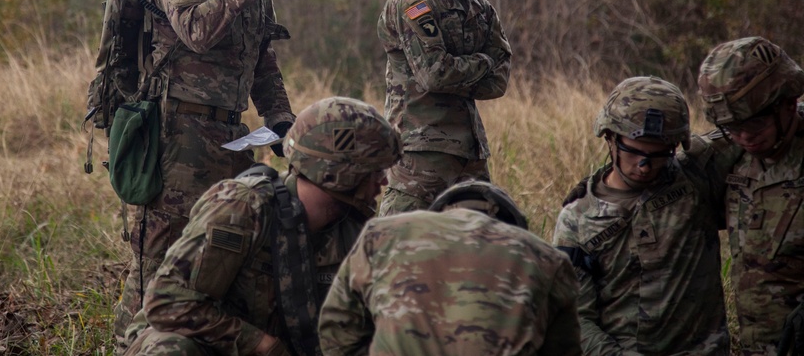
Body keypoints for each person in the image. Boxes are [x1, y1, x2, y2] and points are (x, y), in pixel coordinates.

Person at [113, 0, 296, 352]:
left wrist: (280, 119)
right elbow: (196, 30)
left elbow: (261, 58)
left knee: (219, 260)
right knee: (155, 266)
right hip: (175, 140)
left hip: (231, 141)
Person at [123, 96, 402, 356]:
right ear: (337, 172)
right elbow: (168, 304)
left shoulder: (354, 230)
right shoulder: (243, 208)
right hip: (211, 345)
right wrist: (262, 345)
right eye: (375, 170)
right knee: (168, 348)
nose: (384, 182)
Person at [553, 76, 736, 355]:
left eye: (660, 154)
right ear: (610, 137)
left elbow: (757, 120)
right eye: (634, 151)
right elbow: (576, 318)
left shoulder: (694, 175)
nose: (645, 166)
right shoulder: (576, 219)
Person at [319, 180, 582, 355]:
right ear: (510, 226)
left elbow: (337, 330)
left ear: (441, 213)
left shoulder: (382, 234)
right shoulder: (548, 260)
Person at [376, 0, 512, 216]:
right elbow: (435, 75)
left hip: (471, 153)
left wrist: (462, 69)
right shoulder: (413, 2)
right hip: (421, 153)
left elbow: (500, 80)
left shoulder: (482, 9)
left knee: (477, 250)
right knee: (400, 246)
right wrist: (482, 62)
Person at [698, 37, 804, 356]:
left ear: (787, 102)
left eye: (755, 122)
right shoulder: (731, 155)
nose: (744, 136)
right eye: (732, 126)